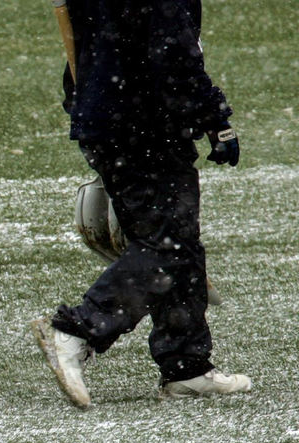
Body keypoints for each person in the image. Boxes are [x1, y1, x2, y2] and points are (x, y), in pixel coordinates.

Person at [32, 0, 250, 408]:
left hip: (112, 119)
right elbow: (173, 54)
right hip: (143, 124)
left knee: (179, 241)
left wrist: (87, 113)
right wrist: (214, 117)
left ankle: (187, 367)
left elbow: (87, 51)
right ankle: (79, 329)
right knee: (167, 244)